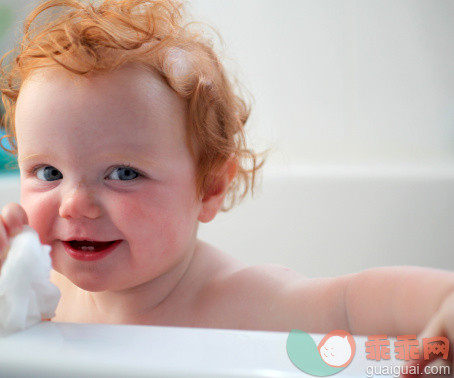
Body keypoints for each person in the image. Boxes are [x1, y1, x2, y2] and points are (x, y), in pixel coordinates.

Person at [0, 0, 453, 358]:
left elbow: (351, 305)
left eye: (123, 173)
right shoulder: (41, 294)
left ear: (210, 187)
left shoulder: (245, 304)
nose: (74, 204)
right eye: (49, 172)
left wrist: (444, 302)